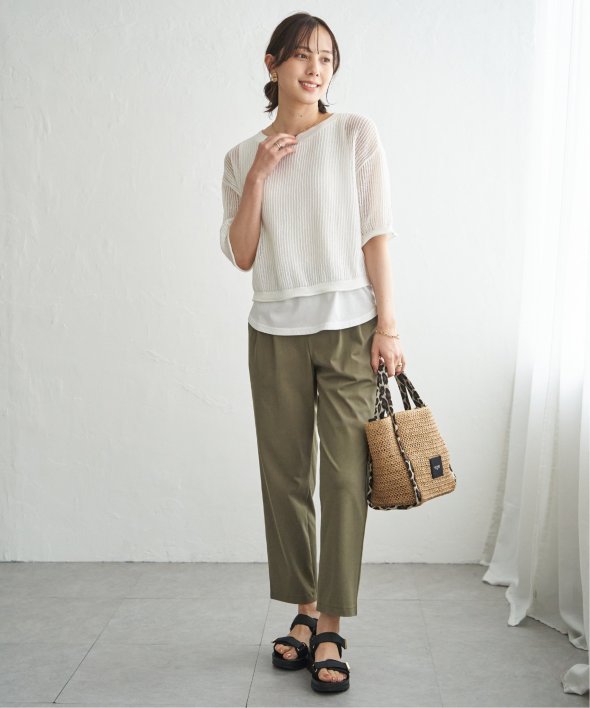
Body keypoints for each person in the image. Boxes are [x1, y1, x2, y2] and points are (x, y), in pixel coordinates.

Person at [219, 12, 405, 694]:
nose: (315, 68)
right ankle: (301, 610)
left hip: (351, 326)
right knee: (286, 479)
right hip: (273, 330)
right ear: (272, 64)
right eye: (301, 55)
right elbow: (243, 254)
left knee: (347, 476)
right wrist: (259, 177)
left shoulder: (354, 134)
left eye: (326, 57)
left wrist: (389, 326)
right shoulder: (241, 156)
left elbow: (376, 233)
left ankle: (330, 624)